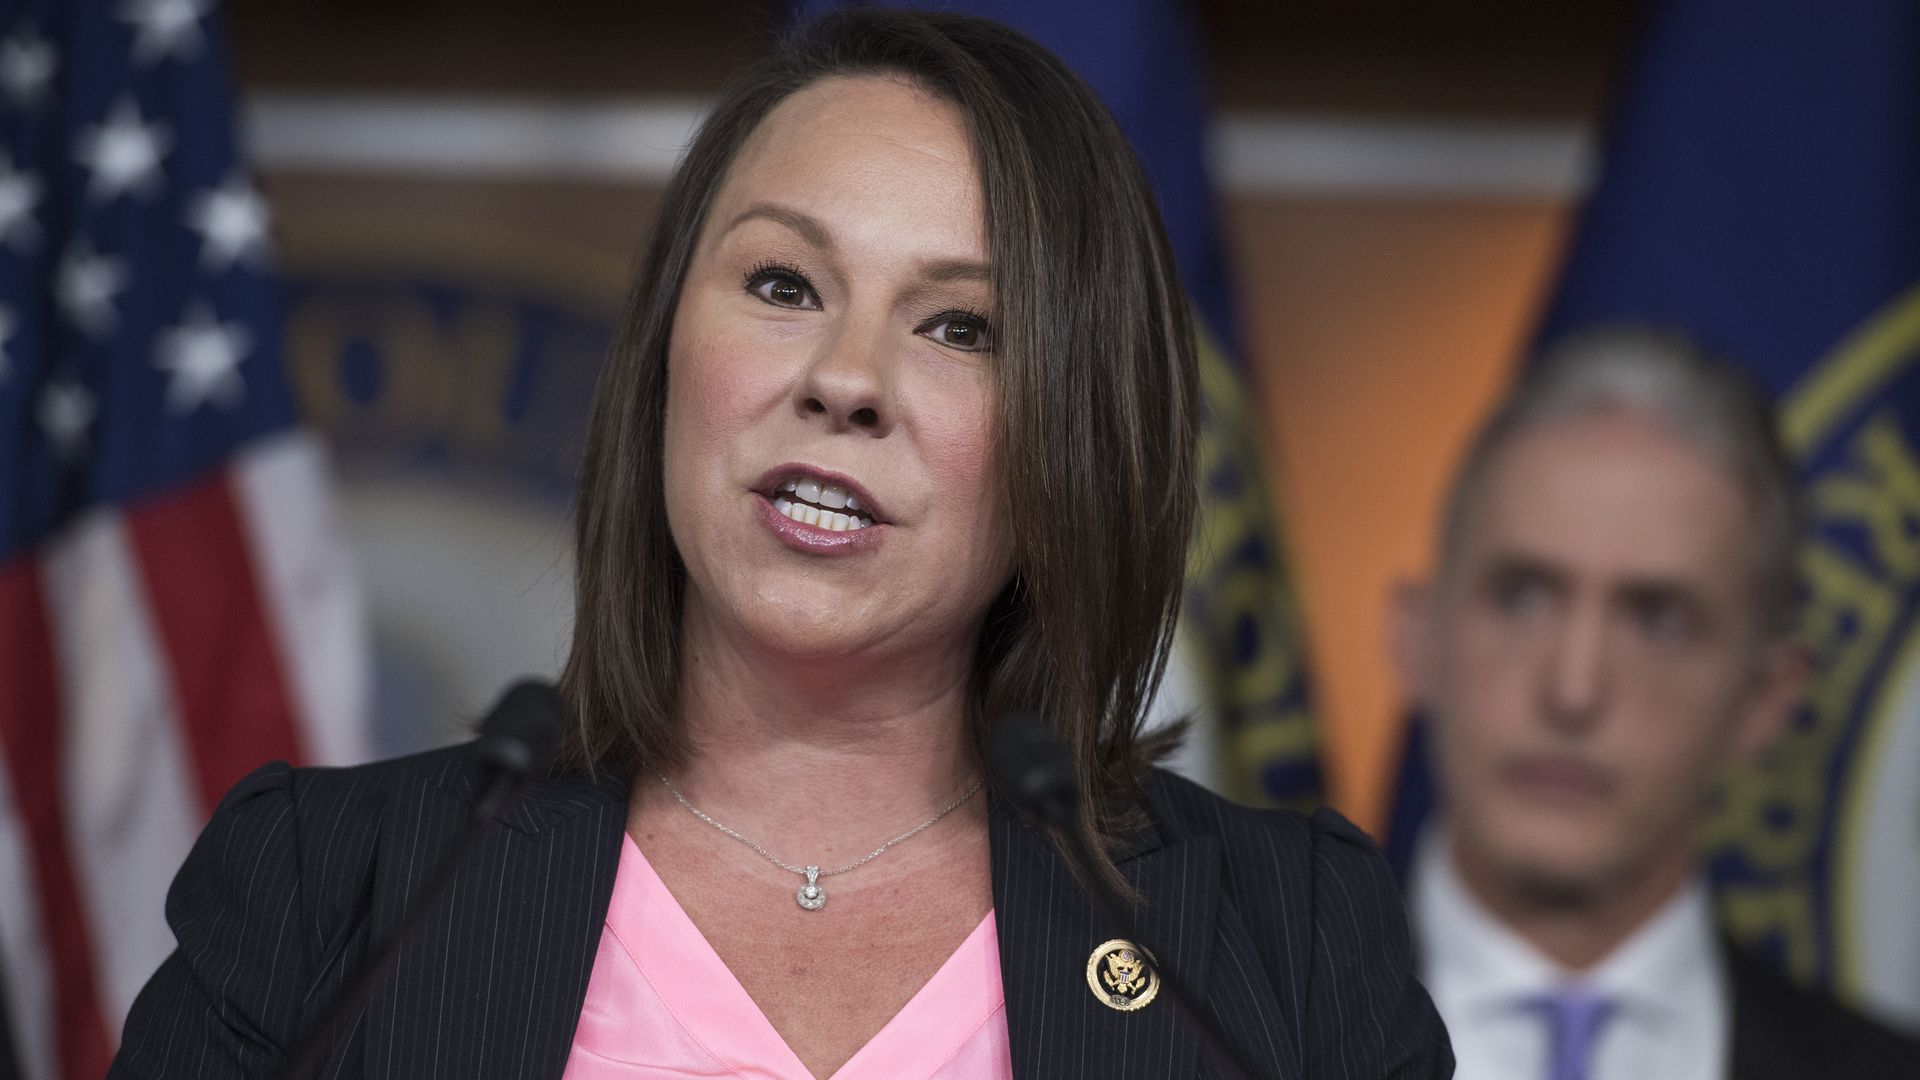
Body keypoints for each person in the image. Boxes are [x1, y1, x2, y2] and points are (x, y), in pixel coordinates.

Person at [108, 10, 1452, 1079]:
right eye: (782, 284)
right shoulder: (326, 896)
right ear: (666, 360)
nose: (845, 378)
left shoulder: (1282, 942)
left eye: (960, 327)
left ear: (1075, 439)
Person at [1392, 328, 1920, 1079]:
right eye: (1522, 596)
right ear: (1416, 639)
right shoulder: (1206, 1052)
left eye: (1657, 619)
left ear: (1766, 698)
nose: (1573, 692)